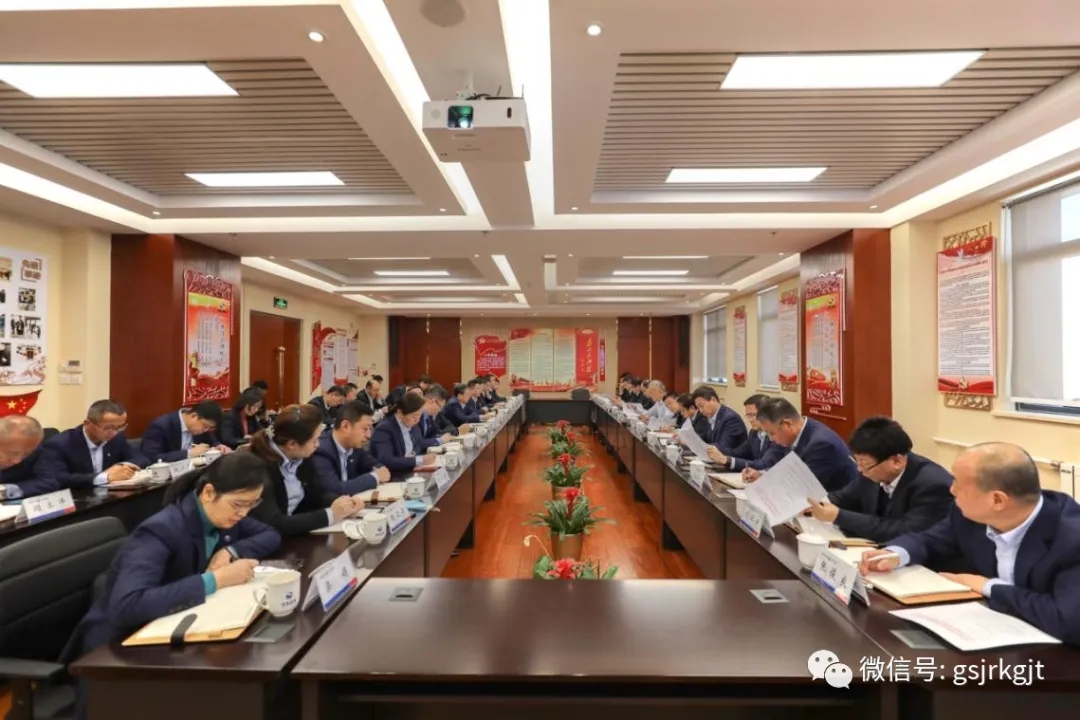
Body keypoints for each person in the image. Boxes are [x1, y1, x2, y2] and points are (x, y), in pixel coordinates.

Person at [66, 453, 280, 696]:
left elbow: (270, 535)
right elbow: (128, 605)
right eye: (239, 504)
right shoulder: (160, 530)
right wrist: (217, 580)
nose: (244, 514)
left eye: (252, 504)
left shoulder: (222, 514)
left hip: (177, 628)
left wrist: (230, 550)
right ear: (208, 492)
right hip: (119, 653)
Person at [861, 442, 1080, 643]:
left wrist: (988, 586)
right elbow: (929, 540)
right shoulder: (969, 515)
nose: (951, 489)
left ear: (997, 500)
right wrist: (895, 555)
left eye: (958, 483)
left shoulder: (1072, 538)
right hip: (998, 632)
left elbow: (1067, 621)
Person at [806, 416, 953, 542]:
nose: (860, 469)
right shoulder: (871, 470)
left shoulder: (934, 485)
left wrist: (839, 516)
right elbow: (844, 497)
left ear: (896, 461)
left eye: (864, 464)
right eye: (858, 462)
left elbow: (902, 531)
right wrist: (813, 503)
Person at [243, 404, 364, 535]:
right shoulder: (257, 467)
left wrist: (342, 502)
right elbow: (273, 523)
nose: (318, 445)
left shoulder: (301, 455)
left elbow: (318, 494)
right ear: (292, 444)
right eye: (314, 440)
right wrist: (330, 515)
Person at [745, 397, 856, 492]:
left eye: (771, 433)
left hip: (838, 504)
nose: (771, 439)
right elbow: (788, 470)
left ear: (787, 424)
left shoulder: (821, 444)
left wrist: (767, 484)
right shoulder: (799, 431)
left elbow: (801, 486)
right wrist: (763, 475)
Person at [36, 400, 146, 490]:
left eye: (120, 427)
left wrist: (123, 466)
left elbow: (140, 458)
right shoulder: (60, 444)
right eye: (107, 428)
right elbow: (58, 478)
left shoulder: (117, 438)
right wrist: (105, 477)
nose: (113, 433)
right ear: (87, 424)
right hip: (78, 498)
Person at [310, 401, 390, 495]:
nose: (369, 435)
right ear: (345, 426)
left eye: (370, 428)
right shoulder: (321, 450)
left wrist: (381, 471)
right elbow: (334, 490)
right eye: (365, 429)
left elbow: (376, 466)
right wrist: (375, 477)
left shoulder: (355, 445)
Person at [707, 394, 787, 472]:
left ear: (765, 414)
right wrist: (714, 450)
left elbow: (763, 464)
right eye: (748, 415)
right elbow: (738, 453)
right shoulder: (753, 433)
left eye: (753, 415)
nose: (750, 420)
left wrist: (726, 460)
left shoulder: (777, 435)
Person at [141, 402, 229, 463]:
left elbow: (212, 441)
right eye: (205, 426)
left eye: (209, 428)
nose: (206, 430)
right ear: (194, 416)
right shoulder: (161, 426)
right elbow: (152, 457)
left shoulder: (202, 427)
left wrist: (218, 446)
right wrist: (189, 453)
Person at [371, 393, 437, 472]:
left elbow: (418, 443)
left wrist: (413, 454)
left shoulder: (413, 424)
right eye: (414, 416)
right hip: (394, 474)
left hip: (410, 469)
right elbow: (387, 460)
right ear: (400, 413)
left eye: (419, 415)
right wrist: (417, 460)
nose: (417, 420)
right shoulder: (384, 429)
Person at [0, 415, 53, 499]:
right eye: (13, 453)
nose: (17, 461)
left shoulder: (37, 450)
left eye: (26, 454)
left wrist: (5, 491)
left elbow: (49, 481)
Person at [689, 386, 748, 455]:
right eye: (698, 408)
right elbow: (705, 438)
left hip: (731, 458)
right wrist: (690, 441)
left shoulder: (731, 418)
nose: (701, 411)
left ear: (713, 399)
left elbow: (723, 446)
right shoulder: (711, 416)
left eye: (701, 406)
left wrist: (698, 446)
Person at [415, 384, 455, 451]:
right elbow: (418, 442)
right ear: (432, 401)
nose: (440, 410)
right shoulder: (416, 414)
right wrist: (440, 440)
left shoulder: (430, 415)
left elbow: (435, 432)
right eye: (440, 406)